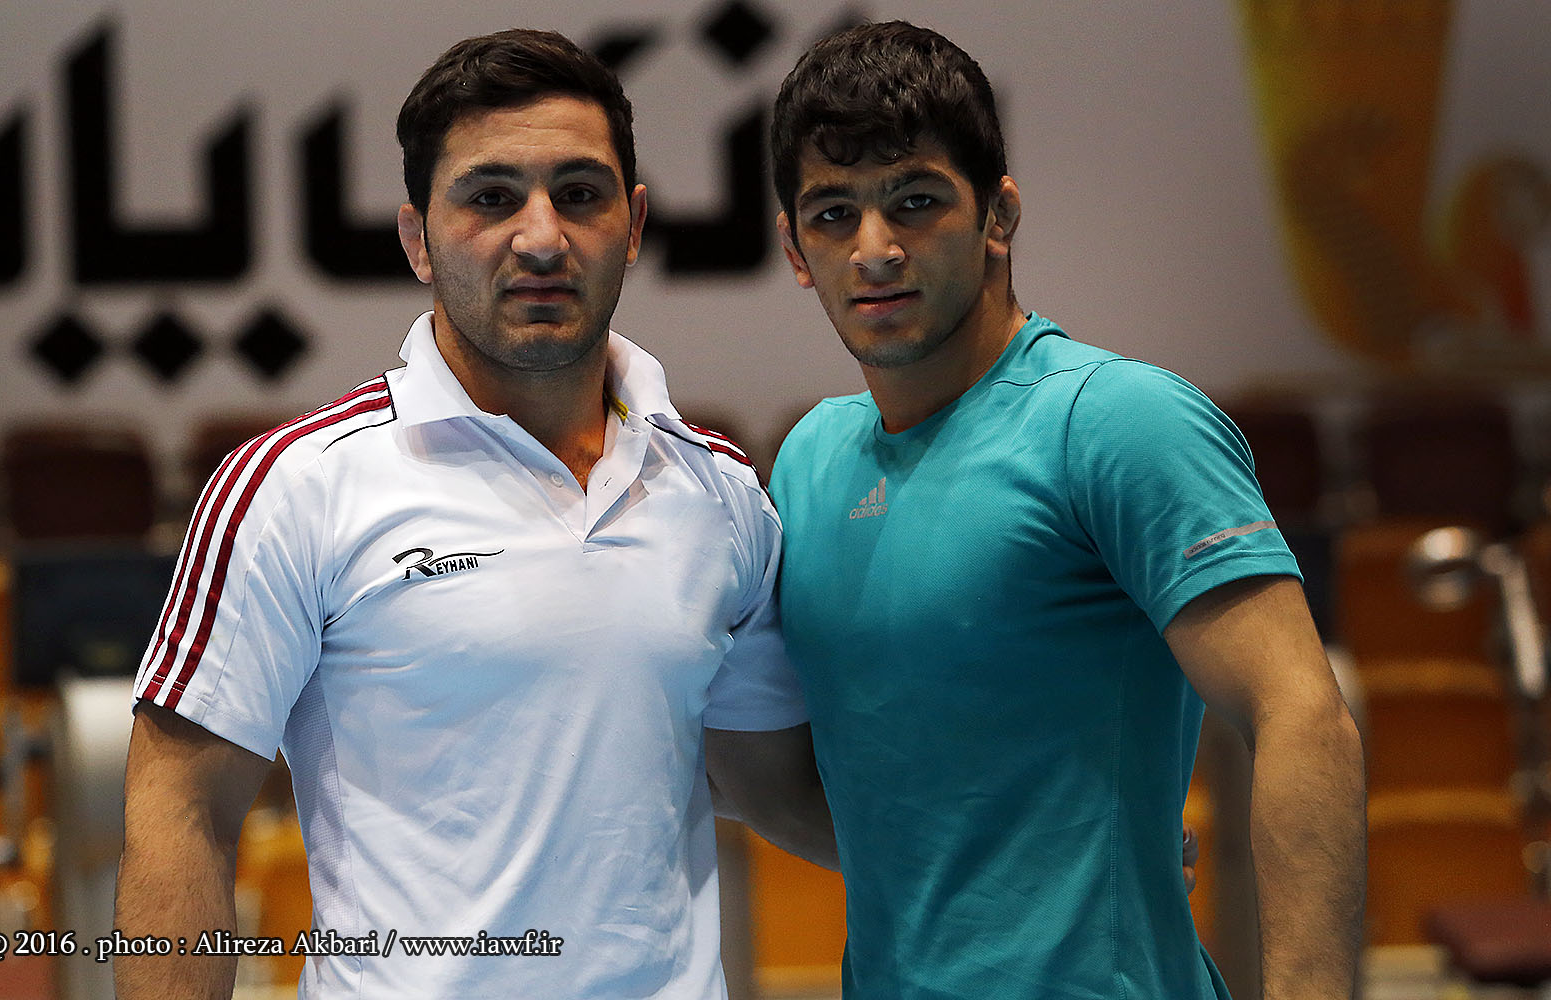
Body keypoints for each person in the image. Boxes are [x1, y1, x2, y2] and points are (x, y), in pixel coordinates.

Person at [115, 29, 833, 1000]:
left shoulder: (720, 493)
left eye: (578, 194)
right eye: (491, 198)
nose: (541, 237)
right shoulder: (296, 486)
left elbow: (775, 786)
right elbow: (182, 811)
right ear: (417, 238)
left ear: (632, 223)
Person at [767, 21, 1365, 1000]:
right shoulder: (807, 463)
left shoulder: (1119, 422)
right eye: (834, 214)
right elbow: (814, 785)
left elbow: (1301, 715)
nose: (875, 250)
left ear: (998, 215)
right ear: (795, 249)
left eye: (915, 201)